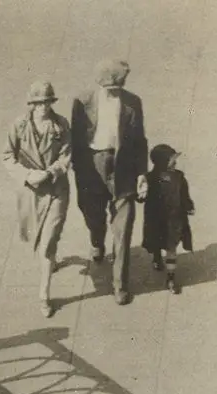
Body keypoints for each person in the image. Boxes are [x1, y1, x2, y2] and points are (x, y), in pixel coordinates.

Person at [71, 59, 148, 305]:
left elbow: (140, 140)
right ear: (100, 84)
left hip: (123, 167)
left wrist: (142, 173)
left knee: (123, 229)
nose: (114, 93)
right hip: (92, 167)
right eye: (109, 89)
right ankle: (97, 240)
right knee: (92, 214)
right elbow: (75, 140)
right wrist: (78, 171)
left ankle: (120, 285)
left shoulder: (133, 102)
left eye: (118, 88)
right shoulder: (82, 101)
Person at [2, 80, 71, 317]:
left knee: (47, 243)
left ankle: (44, 294)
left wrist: (50, 173)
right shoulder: (19, 126)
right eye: (38, 103)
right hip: (31, 192)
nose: (43, 107)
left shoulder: (61, 125)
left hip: (56, 190)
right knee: (36, 236)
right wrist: (27, 175)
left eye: (47, 102)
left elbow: (66, 156)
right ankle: (52, 259)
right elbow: (7, 156)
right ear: (31, 104)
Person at [142, 143, 195, 294]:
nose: (175, 162)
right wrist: (141, 193)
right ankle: (157, 257)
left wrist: (188, 206)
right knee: (156, 241)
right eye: (172, 160)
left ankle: (170, 278)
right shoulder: (149, 178)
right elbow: (141, 196)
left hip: (174, 219)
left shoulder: (179, 177)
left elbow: (184, 194)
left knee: (171, 247)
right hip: (156, 219)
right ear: (163, 162)